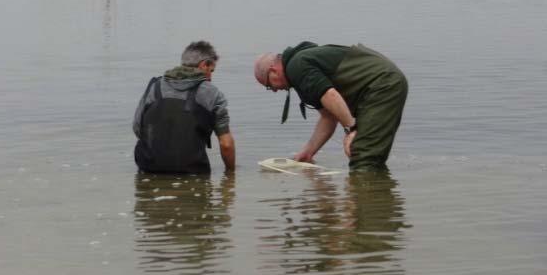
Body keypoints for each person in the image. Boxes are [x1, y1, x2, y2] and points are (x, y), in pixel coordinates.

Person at [254, 42, 408, 170]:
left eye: (269, 85)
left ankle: (366, 200)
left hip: (382, 84)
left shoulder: (296, 66)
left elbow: (330, 95)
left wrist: (351, 129)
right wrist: (308, 153)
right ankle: (376, 199)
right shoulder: (298, 69)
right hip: (379, 86)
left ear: (273, 70)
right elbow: (328, 117)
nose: (274, 90)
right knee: (368, 156)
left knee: (362, 157)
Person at [133, 41, 236, 173]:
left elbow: (137, 128)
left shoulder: (155, 87)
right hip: (192, 172)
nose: (210, 78)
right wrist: (230, 176)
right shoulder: (213, 94)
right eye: (211, 71)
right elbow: (226, 144)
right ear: (204, 65)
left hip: (149, 169)